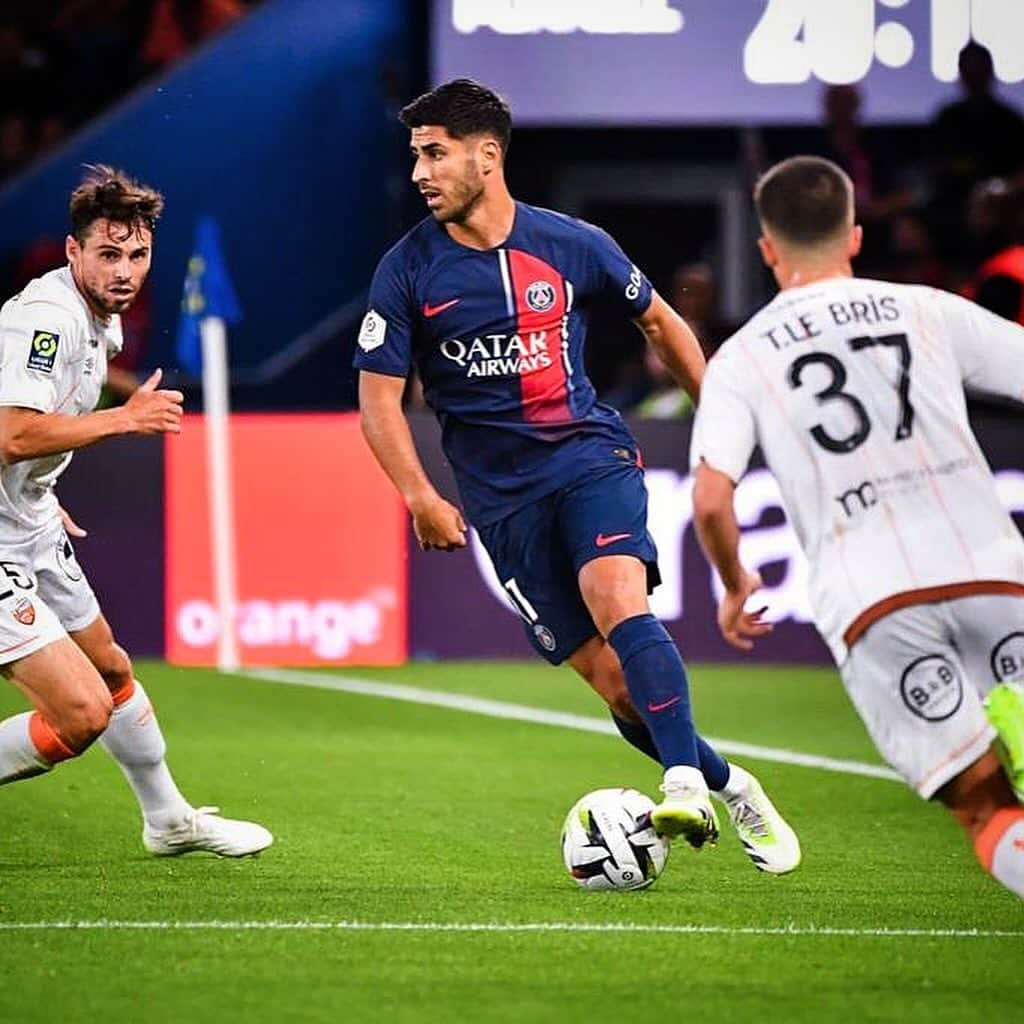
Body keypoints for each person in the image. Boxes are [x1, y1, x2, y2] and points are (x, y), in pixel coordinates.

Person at [354, 79, 800, 873]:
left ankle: (685, 781)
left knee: (614, 592)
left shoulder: (572, 244)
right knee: (618, 689)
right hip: (500, 502)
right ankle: (732, 786)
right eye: (415, 155)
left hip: (588, 455)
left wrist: (720, 428)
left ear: (486, 156)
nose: (419, 172)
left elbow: (661, 320)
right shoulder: (406, 271)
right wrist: (420, 494)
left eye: (434, 153)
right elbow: (378, 400)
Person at [690, 155, 1024, 900]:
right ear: (856, 235)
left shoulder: (742, 357)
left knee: (982, 805)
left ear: (767, 248)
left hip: (875, 599)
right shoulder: (926, 310)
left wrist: (735, 580)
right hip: (997, 570)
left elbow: (711, 499)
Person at [0, 165, 272, 858]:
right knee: (80, 713)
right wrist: (124, 420)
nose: (126, 271)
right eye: (109, 254)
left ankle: (170, 821)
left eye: (138, 255)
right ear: (72, 252)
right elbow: (13, 433)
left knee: (113, 669)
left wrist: (38, 492)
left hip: (25, 518)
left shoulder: (102, 321)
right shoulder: (48, 320)